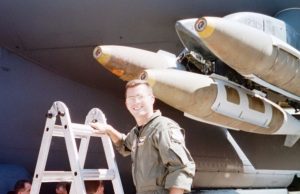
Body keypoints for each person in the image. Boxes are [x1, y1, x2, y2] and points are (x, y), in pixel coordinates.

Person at [90, 79, 195, 194]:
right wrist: (109, 129)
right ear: (126, 103)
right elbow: (125, 145)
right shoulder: (137, 132)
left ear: (152, 99)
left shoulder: (162, 128)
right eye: (131, 98)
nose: (136, 101)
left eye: (140, 96)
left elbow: (181, 168)